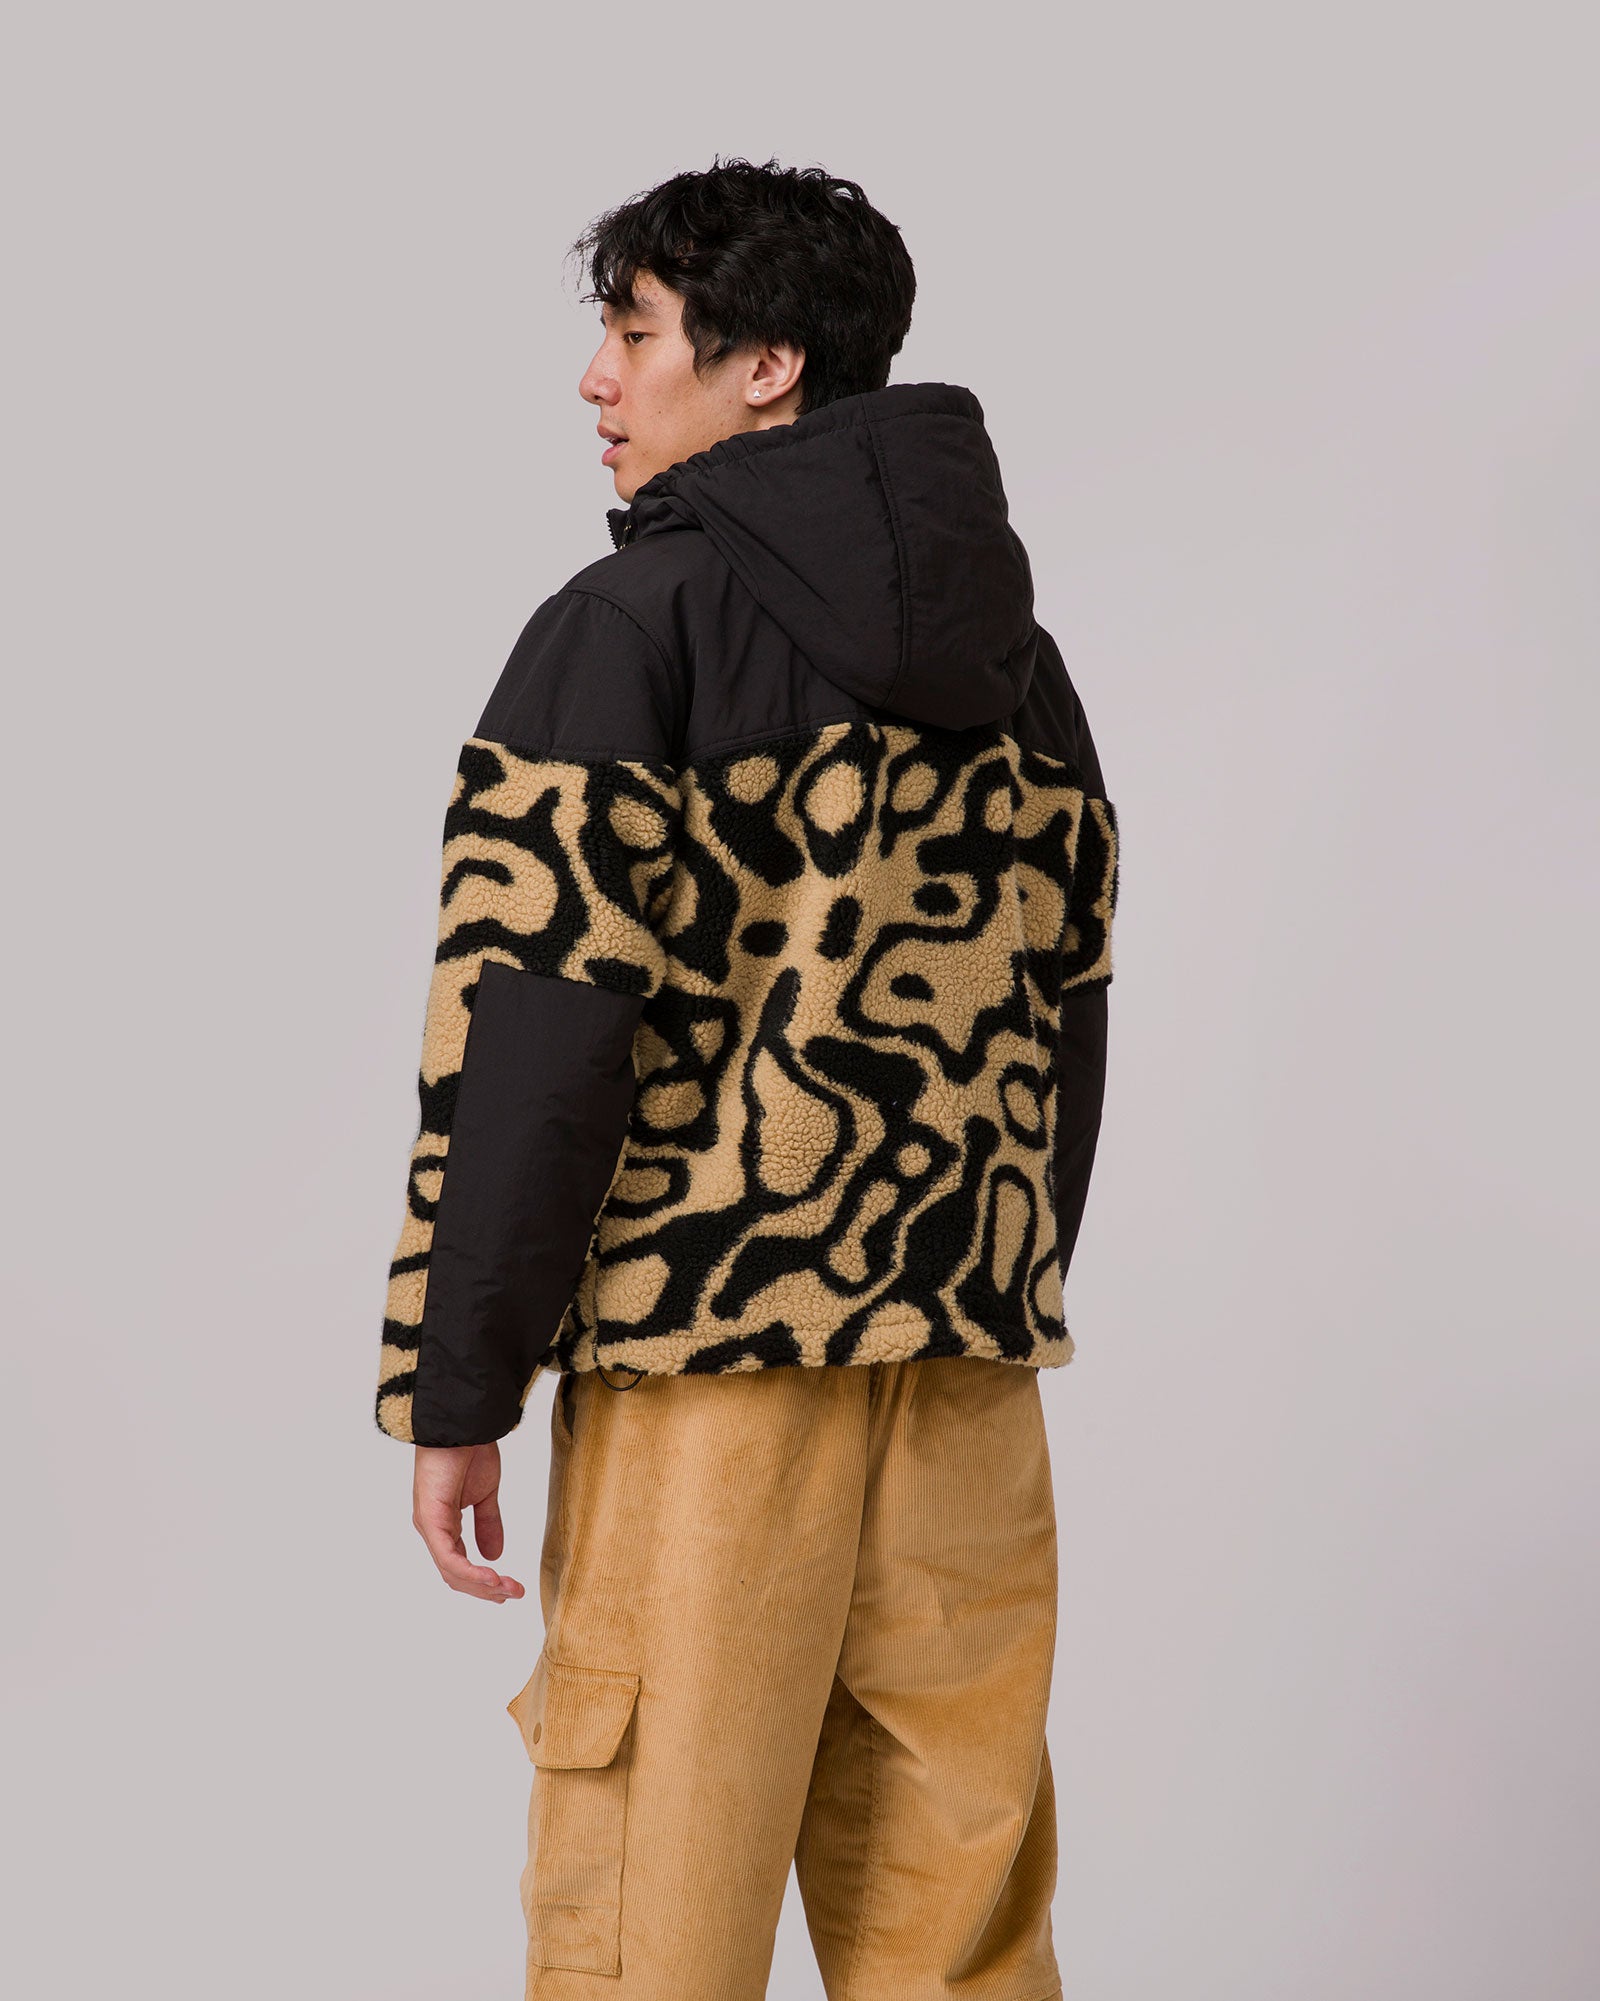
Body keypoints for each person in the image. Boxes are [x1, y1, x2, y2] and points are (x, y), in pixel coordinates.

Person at [374, 156, 1119, 2001]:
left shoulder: (627, 628)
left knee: (654, 1918)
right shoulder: (1019, 663)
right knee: (956, 1914)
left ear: (766, 365)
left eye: (634, 334)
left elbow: (539, 1038)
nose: (598, 379)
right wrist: (991, 1279)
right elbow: (1066, 1015)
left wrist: (459, 1379)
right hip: (962, 1377)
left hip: (712, 1368)